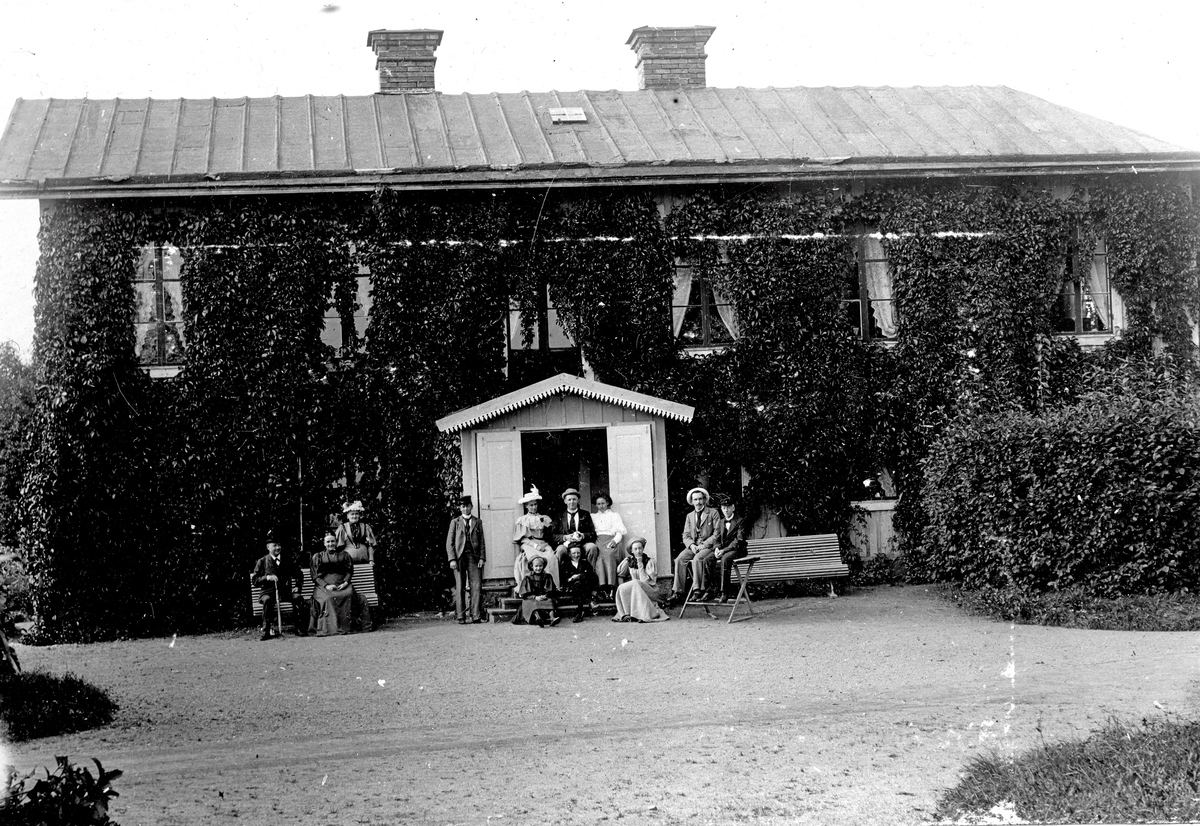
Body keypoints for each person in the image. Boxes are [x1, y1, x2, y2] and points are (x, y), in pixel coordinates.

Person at [251, 532, 308, 640]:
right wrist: (266, 578)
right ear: (268, 547)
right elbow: (255, 580)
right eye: (274, 545)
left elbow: (299, 574)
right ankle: (266, 630)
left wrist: (298, 586)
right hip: (267, 593)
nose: (277, 548)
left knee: (298, 598)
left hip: (284, 592)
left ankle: (299, 628)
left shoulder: (287, 560)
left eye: (279, 545)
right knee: (267, 600)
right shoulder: (262, 561)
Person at [310, 531, 368, 636]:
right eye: (328, 542)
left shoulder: (344, 555)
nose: (330, 544)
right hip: (323, 586)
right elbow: (315, 576)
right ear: (324, 543)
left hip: (342, 584)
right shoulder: (318, 556)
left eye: (333, 541)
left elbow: (349, 571)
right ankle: (332, 628)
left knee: (348, 595)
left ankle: (347, 626)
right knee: (329, 598)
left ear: (336, 542)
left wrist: (346, 582)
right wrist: (326, 585)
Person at [669, 487, 718, 604]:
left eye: (701, 499)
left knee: (697, 559)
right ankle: (678, 591)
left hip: (707, 546)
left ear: (705, 500)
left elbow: (717, 534)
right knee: (679, 559)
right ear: (692, 501)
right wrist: (691, 546)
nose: (698, 502)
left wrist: (703, 545)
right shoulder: (689, 516)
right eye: (695, 499)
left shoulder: (713, 513)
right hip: (694, 546)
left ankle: (697, 590)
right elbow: (685, 535)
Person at [699, 495, 747, 602]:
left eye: (729, 507)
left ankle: (724, 592)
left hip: (737, 550)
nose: (726, 510)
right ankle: (709, 590)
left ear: (733, 507)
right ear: (721, 509)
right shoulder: (720, 522)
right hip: (722, 550)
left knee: (725, 559)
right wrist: (716, 549)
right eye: (724, 508)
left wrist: (723, 550)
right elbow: (717, 538)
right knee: (707, 559)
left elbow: (738, 540)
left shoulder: (740, 521)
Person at [446, 494, 486, 624]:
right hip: (459, 557)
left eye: (468, 506)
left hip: (473, 557)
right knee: (460, 585)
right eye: (463, 506)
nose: (465, 509)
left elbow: (482, 542)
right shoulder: (455, 522)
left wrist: (481, 558)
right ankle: (461, 615)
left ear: (471, 507)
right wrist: (452, 559)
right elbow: (449, 542)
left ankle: (475, 615)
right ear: (460, 508)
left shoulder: (477, 522)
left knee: (476, 585)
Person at [513, 485, 560, 588]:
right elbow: (523, 539)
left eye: (535, 504)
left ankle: (551, 586)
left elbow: (549, 535)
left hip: (543, 543)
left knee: (551, 558)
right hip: (529, 543)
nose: (534, 507)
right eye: (531, 505)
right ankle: (531, 587)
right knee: (533, 560)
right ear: (526, 506)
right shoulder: (523, 520)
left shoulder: (543, 518)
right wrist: (535, 546)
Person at [613, 537, 669, 623]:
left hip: (650, 589)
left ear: (643, 549)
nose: (638, 551)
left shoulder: (649, 561)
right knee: (622, 587)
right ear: (632, 551)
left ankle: (642, 614)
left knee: (635, 582)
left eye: (640, 548)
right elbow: (620, 574)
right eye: (635, 549)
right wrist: (623, 586)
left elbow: (645, 581)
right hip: (636, 588)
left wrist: (640, 563)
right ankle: (626, 613)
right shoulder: (629, 561)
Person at [590, 492, 627, 601]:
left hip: (611, 540)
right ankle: (602, 587)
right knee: (599, 556)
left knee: (609, 554)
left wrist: (615, 541)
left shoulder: (614, 515)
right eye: (598, 504)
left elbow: (620, 532)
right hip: (598, 540)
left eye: (603, 503)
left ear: (607, 503)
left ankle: (611, 587)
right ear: (595, 505)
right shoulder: (593, 516)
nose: (601, 506)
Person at [553, 487, 599, 568]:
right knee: (560, 550)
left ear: (578, 501)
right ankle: (560, 578)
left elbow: (592, 533)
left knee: (592, 547)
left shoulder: (585, 514)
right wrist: (565, 537)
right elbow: (553, 535)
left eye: (574, 499)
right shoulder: (559, 516)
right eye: (569, 500)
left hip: (582, 543)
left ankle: (590, 574)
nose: (572, 502)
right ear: (565, 501)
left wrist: (583, 535)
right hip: (566, 544)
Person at [516, 555, 561, 627]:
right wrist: (535, 597)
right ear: (532, 567)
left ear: (543, 566)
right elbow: (525, 594)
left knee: (549, 601)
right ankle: (538, 618)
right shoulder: (528, 578)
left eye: (540, 566)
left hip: (543, 597)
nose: (538, 568)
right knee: (534, 603)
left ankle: (552, 618)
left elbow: (550, 590)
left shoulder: (547, 576)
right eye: (536, 566)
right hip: (531, 598)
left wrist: (545, 596)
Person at [560, 544, 598, 622]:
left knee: (580, 582)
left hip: (584, 586)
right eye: (574, 553)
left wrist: (580, 576)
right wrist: (571, 578)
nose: (576, 555)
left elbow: (593, 576)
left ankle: (579, 612)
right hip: (572, 587)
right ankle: (582, 610)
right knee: (577, 584)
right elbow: (563, 579)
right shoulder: (565, 565)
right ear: (569, 554)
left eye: (578, 553)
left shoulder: (585, 563)